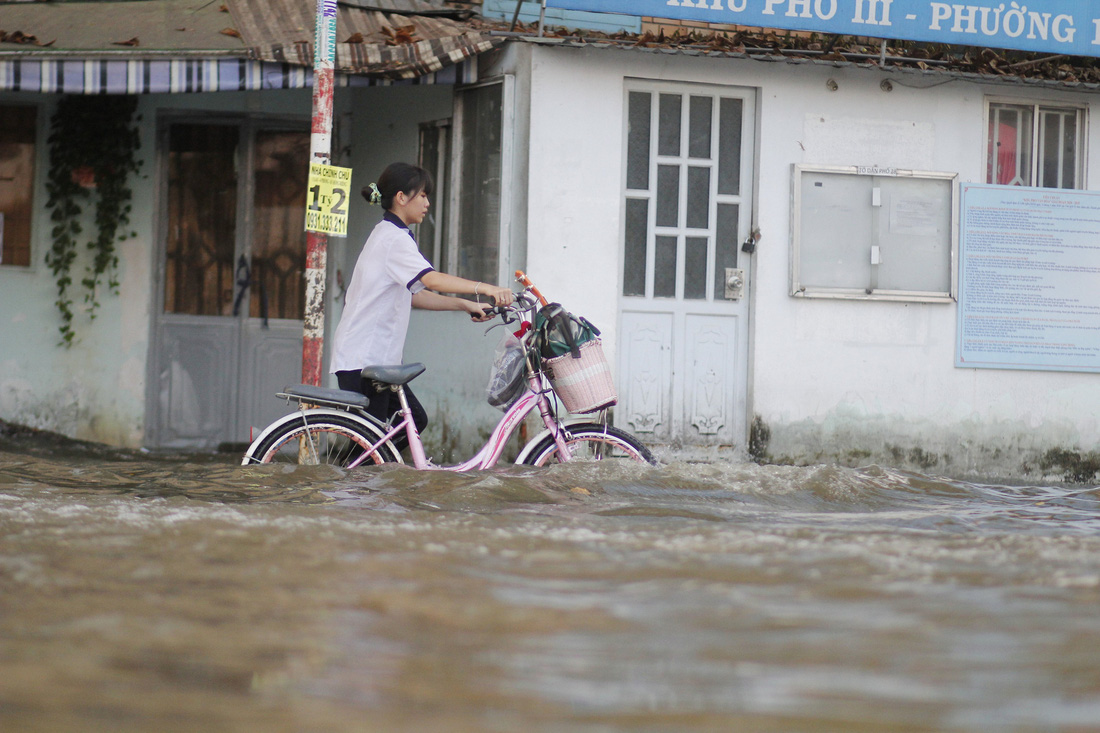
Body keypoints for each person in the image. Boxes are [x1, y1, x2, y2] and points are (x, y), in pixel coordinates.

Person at [330, 162, 514, 447]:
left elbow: (414, 294)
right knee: (374, 441)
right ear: (401, 197)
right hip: (364, 359)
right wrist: (485, 288)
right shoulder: (393, 239)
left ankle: (370, 484)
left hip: (375, 357)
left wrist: (465, 305)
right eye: (423, 195)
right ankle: (353, 488)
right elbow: (432, 280)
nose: (428, 203)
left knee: (411, 421)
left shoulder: (392, 234)